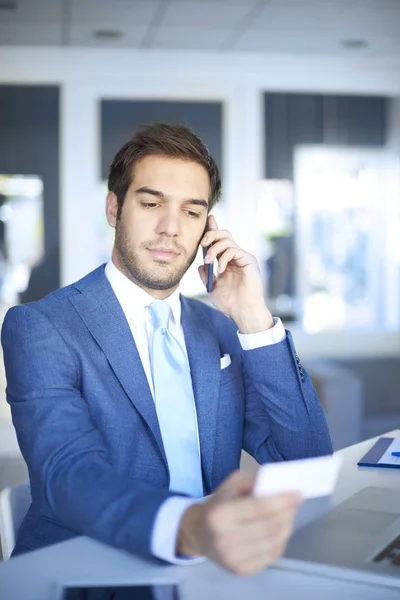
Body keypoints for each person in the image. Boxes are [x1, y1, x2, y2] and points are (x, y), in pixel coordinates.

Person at [1, 123, 332, 576]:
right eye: (152, 203)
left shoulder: (221, 329)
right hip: (87, 573)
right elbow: (67, 475)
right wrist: (187, 525)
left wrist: (254, 318)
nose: (171, 229)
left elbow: (307, 460)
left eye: (192, 212)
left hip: (210, 573)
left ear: (207, 228)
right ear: (115, 208)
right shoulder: (41, 327)